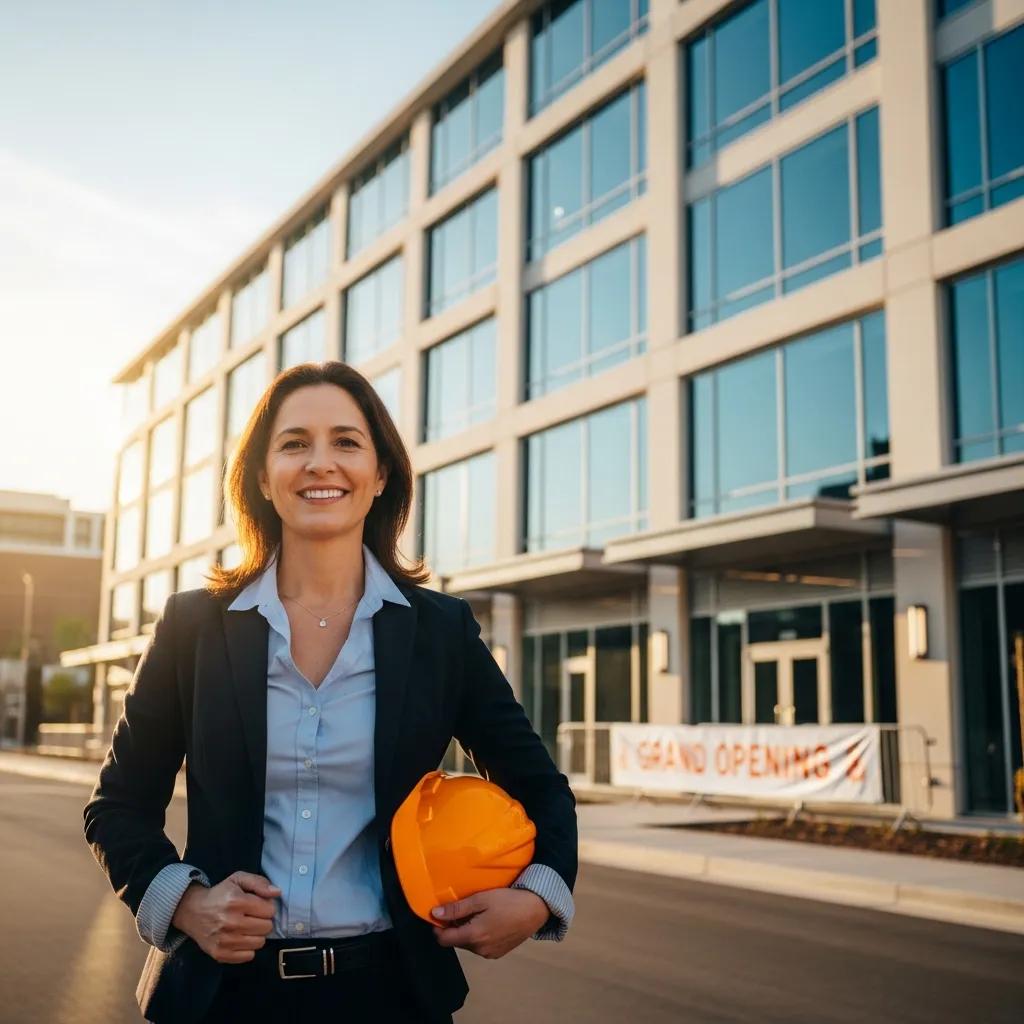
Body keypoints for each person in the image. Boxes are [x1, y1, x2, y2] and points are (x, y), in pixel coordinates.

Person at [84, 362, 578, 1023]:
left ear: (380, 476)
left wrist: (538, 898)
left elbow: (540, 785)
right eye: (294, 444)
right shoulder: (192, 627)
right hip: (220, 996)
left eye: (346, 442)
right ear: (263, 478)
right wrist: (187, 903)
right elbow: (117, 807)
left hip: (391, 992)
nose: (321, 463)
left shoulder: (440, 631)